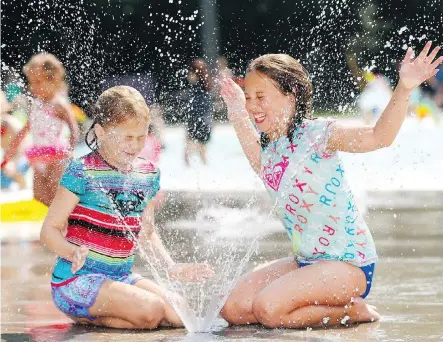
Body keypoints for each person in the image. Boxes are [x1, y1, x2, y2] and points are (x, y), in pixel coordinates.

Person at [219, 42, 441, 328]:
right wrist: (236, 109)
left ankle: (355, 310)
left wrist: (405, 87)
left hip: (349, 265)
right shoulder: (272, 150)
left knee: (268, 309)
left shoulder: (319, 135)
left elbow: (379, 136)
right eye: (249, 97)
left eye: (260, 97)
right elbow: (257, 160)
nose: (253, 106)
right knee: (233, 308)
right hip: (308, 262)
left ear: (291, 95)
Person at [40, 86, 214, 329]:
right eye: (127, 137)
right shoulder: (82, 172)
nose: (135, 146)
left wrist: (171, 266)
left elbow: (148, 232)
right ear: (100, 132)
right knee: (151, 310)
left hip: (120, 278)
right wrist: (71, 252)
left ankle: (112, 315)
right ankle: (87, 314)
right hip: (76, 281)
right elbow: (49, 230)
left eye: (141, 137)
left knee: (181, 312)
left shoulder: (148, 174)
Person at [1, 53, 79, 206]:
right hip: (38, 155)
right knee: (38, 195)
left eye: (37, 82)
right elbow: (25, 131)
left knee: (54, 192)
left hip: (57, 156)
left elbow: (73, 129)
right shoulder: (36, 104)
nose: (32, 87)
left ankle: (61, 222)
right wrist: (9, 154)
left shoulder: (59, 103)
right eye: (31, 82)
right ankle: (51, 220)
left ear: (52, 80)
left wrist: (71, 148)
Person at [184, 59, 214, 165]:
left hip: (196, 120)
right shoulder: (206, 85)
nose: (188, 75)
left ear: (195, 73)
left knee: (187, 154)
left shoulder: (196, 87)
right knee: (203, 154)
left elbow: (194, 108)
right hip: (206, 121)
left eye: (190, 72)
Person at [1, 91, 29, 189]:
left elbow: (24, 144)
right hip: (8, 160)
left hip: (21, 159)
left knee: (11, 171)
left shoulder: (10, 123)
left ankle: (24, 187)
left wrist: (11, 161)